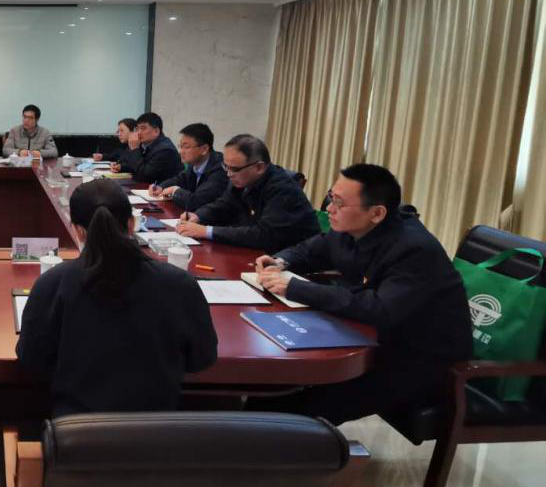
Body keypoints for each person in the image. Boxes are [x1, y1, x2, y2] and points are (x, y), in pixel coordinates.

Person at [253, 164, 472, 424]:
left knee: (294, 408)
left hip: (418, 358)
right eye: (331, 197)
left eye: (339, 203)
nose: (329, 208)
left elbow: (380, 309)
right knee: (267, 387)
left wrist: (295, 288)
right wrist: (280, 261)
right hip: (367, 336)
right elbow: (313, 249)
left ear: (377, 213)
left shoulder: (415, 250)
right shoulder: (352, 229)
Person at [17, 179, 217, 415]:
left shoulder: (52, 283)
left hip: (77, 431)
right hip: (158, 432)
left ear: (77, 231)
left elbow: (31, 359)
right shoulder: (180, 284)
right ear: (131, 224)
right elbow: (202, 359)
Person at [176, 134, 319, 252]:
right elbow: (224, 204)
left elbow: (263, 235)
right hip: (258, 253)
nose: (229, 174)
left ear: (259, 167)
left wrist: (206, 231)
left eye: (234, 169)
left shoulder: (282, 189)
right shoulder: (243, 179)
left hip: (291, 261)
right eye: (226, 167)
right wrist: (199, 216)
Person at [149, 123, 228, 211]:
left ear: (204, 149)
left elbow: (196, 202)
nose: (181, 151)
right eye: (180, 146)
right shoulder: (195, 164)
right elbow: (180, 179)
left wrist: (175, 191)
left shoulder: (220, 169)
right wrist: (160, 187)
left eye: (186, 147)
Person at [110, 112, 183, 184]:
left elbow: (145, 175)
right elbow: (141, 165)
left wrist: (135, 149)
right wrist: (122, 167)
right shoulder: (147, 145)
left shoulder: (165, 150)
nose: (139, 132)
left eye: (143, 128)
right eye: (137, 129)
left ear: (156, 131)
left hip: (164, 189)